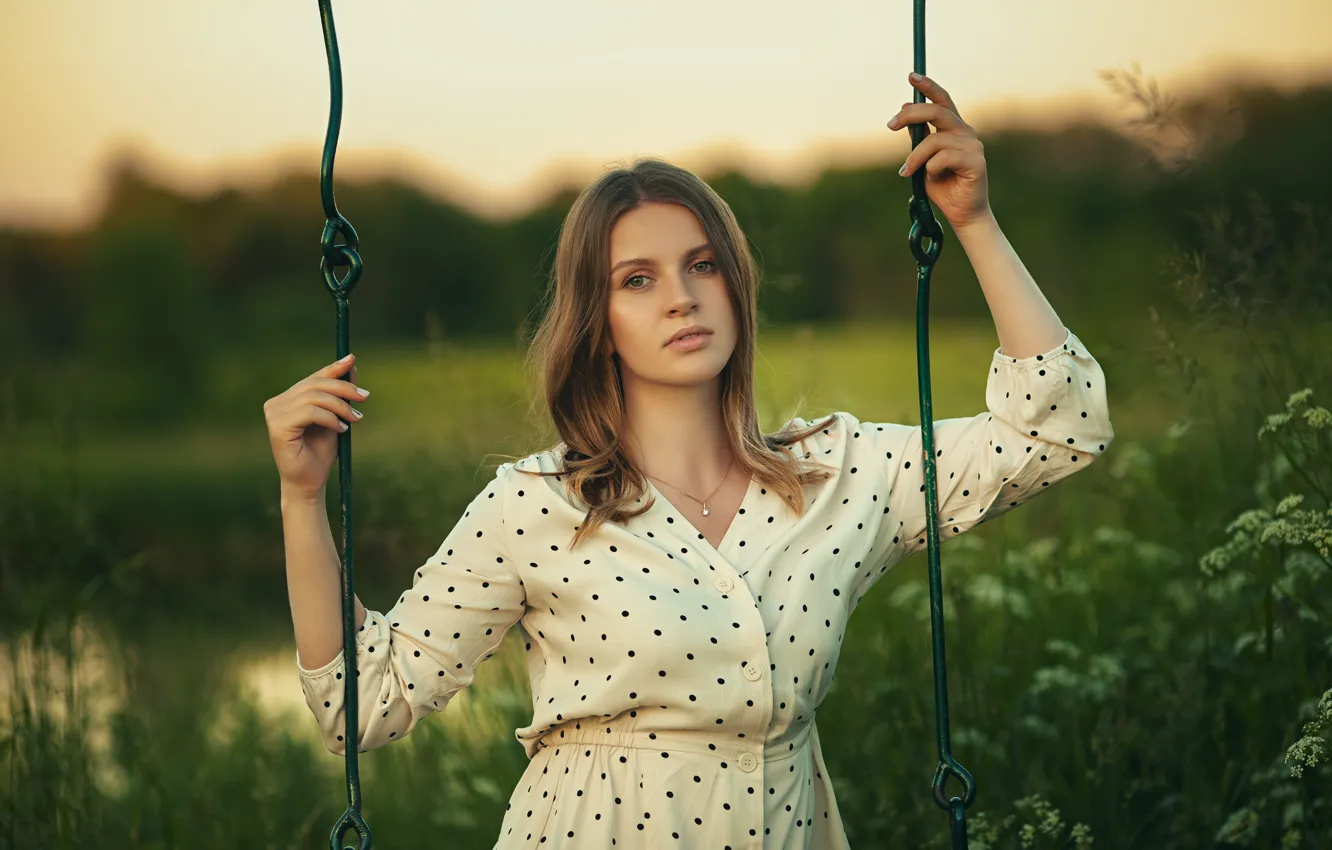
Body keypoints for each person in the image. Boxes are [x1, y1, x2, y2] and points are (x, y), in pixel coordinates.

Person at [266, 74, 1115, 848]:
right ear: (597, 322)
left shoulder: (841, 476)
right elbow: (364, 704)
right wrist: (303, 501)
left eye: (701, 265)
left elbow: (1059, 428)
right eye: (637, 279)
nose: (681, 296)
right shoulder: (535, 505)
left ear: (735, 286)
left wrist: (973, 222)